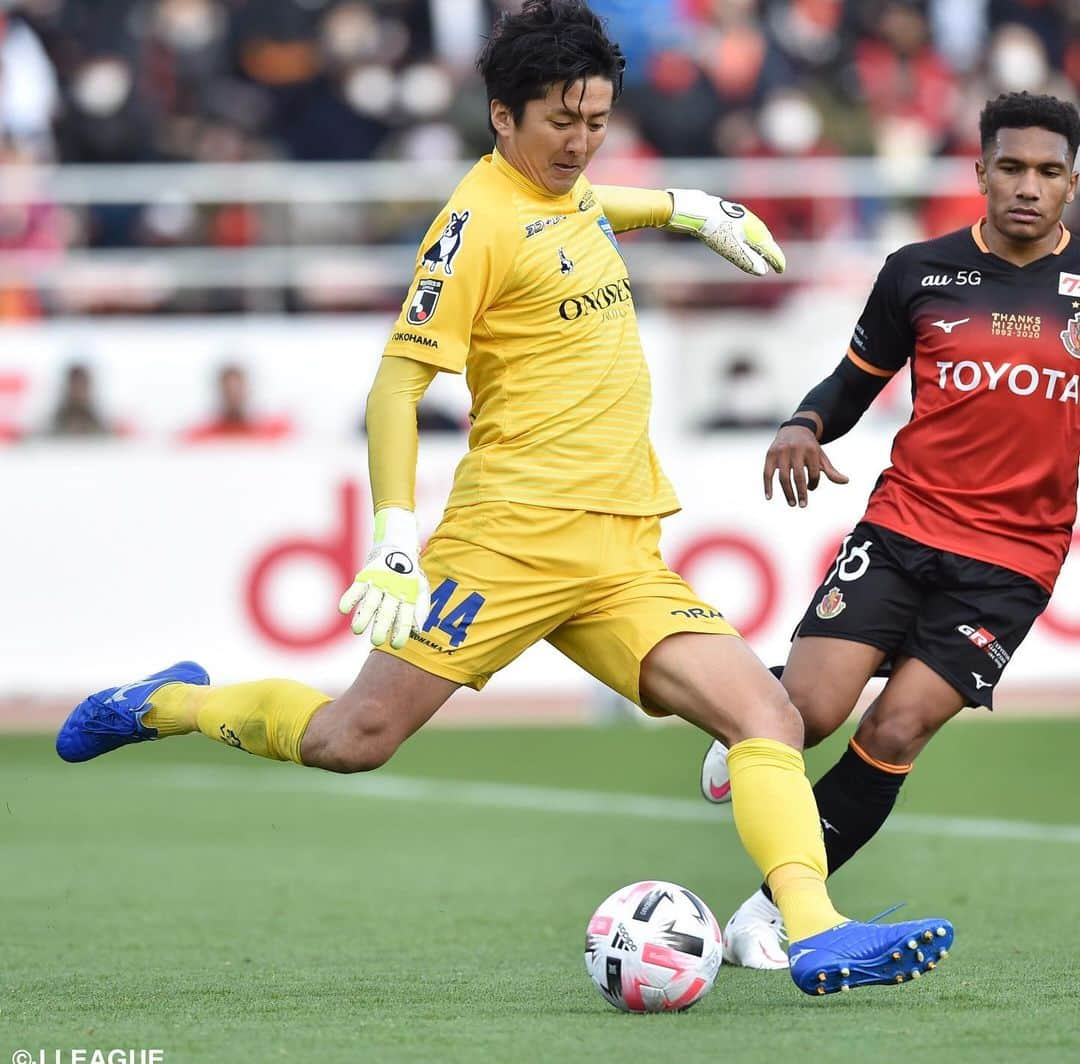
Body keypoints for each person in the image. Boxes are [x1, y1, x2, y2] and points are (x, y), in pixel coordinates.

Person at [56, 0, 952, 997]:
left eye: (596, 119)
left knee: (768, 720)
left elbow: (584, 208)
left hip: (618, 551)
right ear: (500, 117)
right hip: (505, 545)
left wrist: (686, 207)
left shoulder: (562, 193)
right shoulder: (473, 222)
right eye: (559, 122)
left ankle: (814, 929)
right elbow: (398, 383)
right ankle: (168, 703)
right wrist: (395, 537)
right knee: (351, 740)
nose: (579, 142)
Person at [701, 90, 1079, 970]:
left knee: (898, 731)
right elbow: (852, 379)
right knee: (810, 713)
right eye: (1012, 168)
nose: (1029, 187)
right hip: (904, 527)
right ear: (980, 172)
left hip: (1011, 567)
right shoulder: (919, 272)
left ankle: (769, 914)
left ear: (1072, 182)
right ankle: (744, 720)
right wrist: (803, 424)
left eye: (1049, 172)